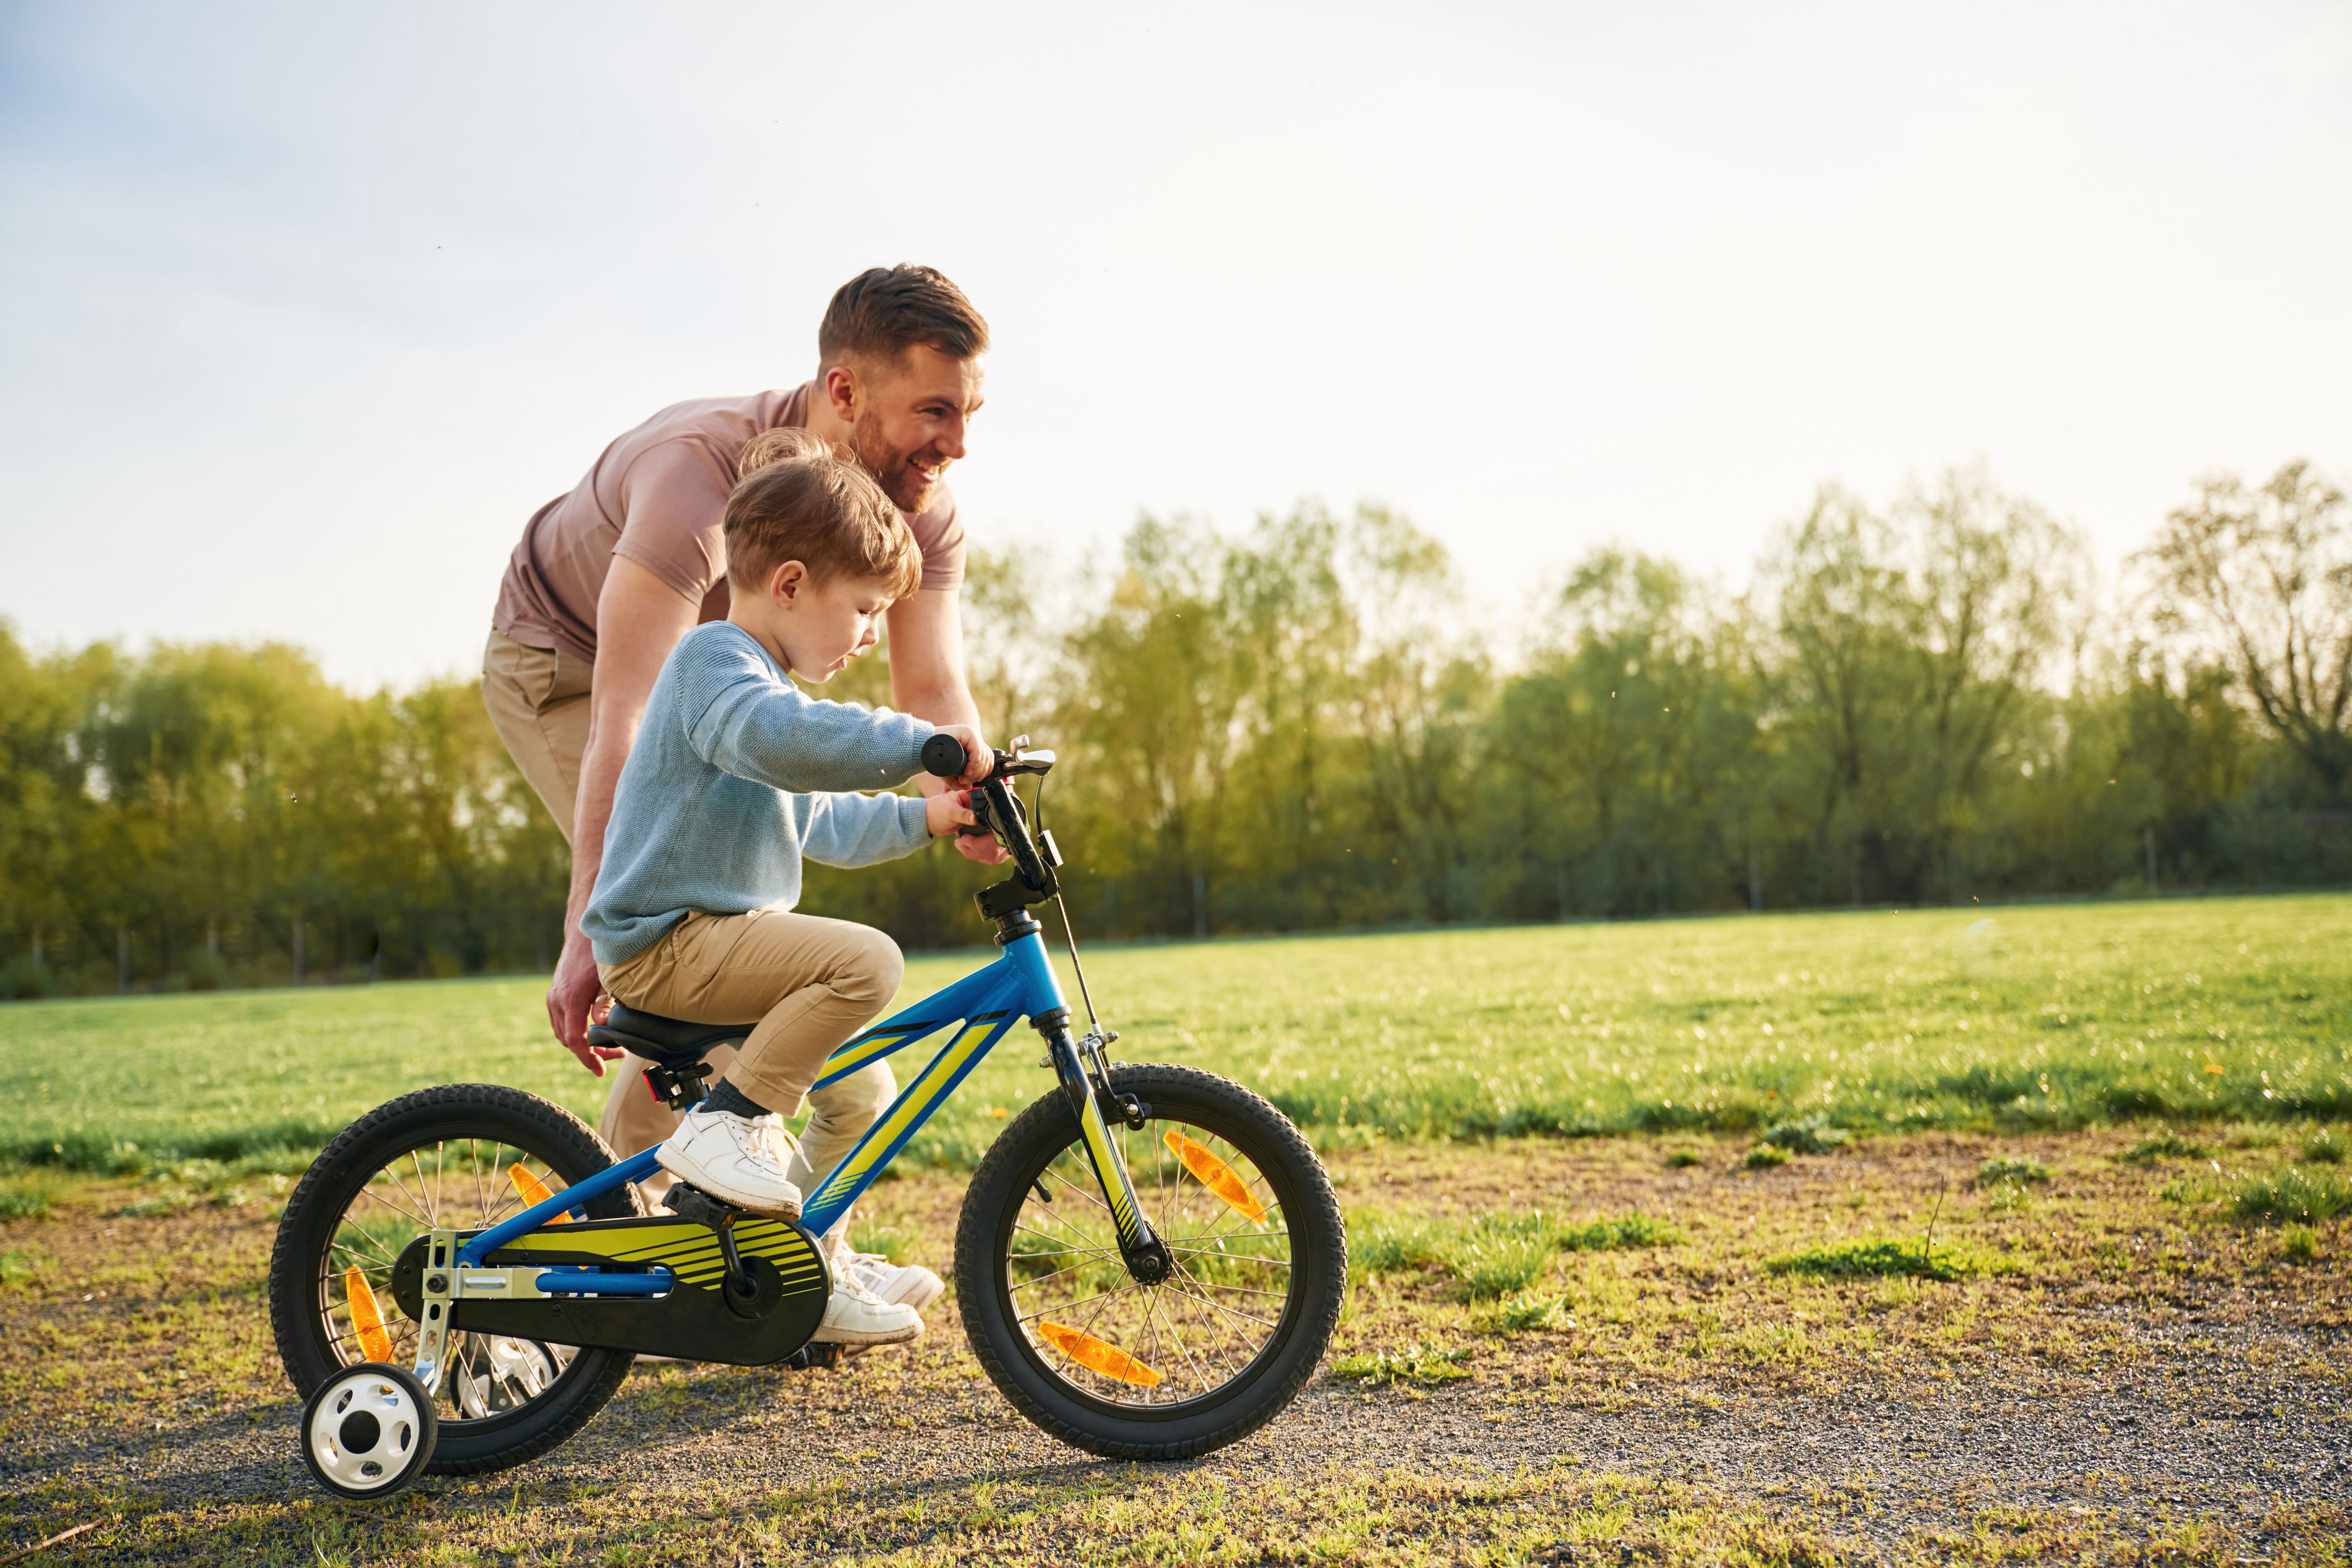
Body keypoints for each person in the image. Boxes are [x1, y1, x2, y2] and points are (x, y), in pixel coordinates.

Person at [481, 265, 1000, 1311]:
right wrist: (590, 931)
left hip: (762, 708)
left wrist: (972, 795)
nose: (956, 444)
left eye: (971, 412)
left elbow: (929, 697)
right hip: (574, 661)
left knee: (844, 1074)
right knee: (724, 980)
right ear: (847, 394)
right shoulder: (697, 479)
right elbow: (629, 722)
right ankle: (683, 1200)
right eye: (934, 411)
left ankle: (764, 1261)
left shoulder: (907, 515)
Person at [581, 441, 992, 1345]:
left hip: (724, 944)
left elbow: (813, 823)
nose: (873, 632)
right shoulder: (716, 666)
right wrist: (921, 741)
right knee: (866, 962)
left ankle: (805, 1267)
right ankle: (724, 1127)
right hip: (670, 944)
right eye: (865, 608)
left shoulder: (760, 695)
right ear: (795, 583)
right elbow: (782, 742)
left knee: (860, 1091)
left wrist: (931, 818)